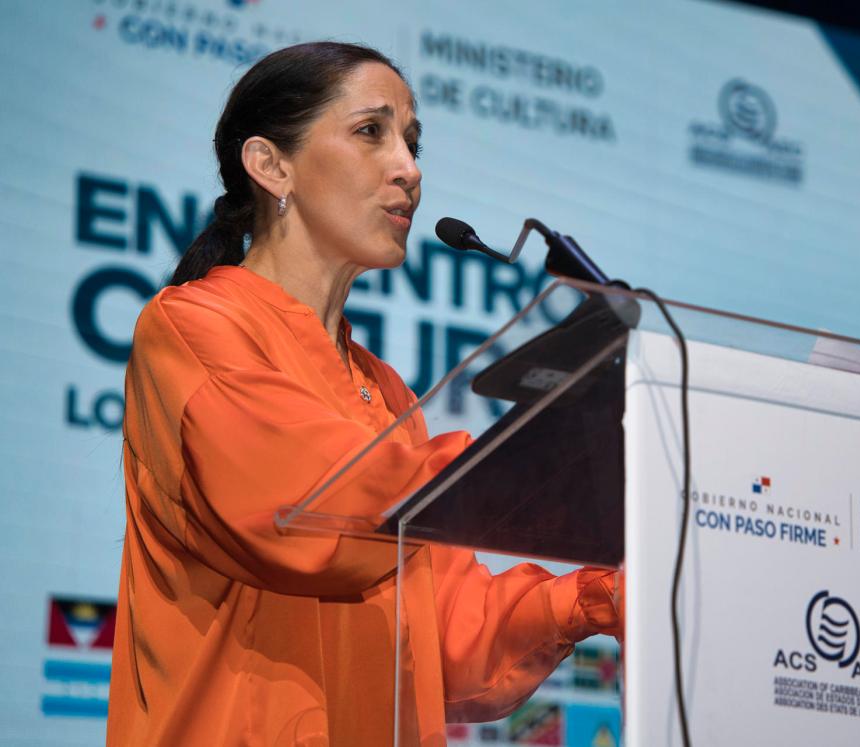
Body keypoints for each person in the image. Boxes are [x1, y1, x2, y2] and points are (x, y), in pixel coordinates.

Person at [106, 41, 621, 746]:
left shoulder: (386, 392)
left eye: (411, 142)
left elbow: (451, 645)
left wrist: (595, 598)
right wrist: (542, 456)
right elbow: (305, 508)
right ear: (270, 164)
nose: (409, 169)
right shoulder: (193, 327)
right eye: (370, 132)